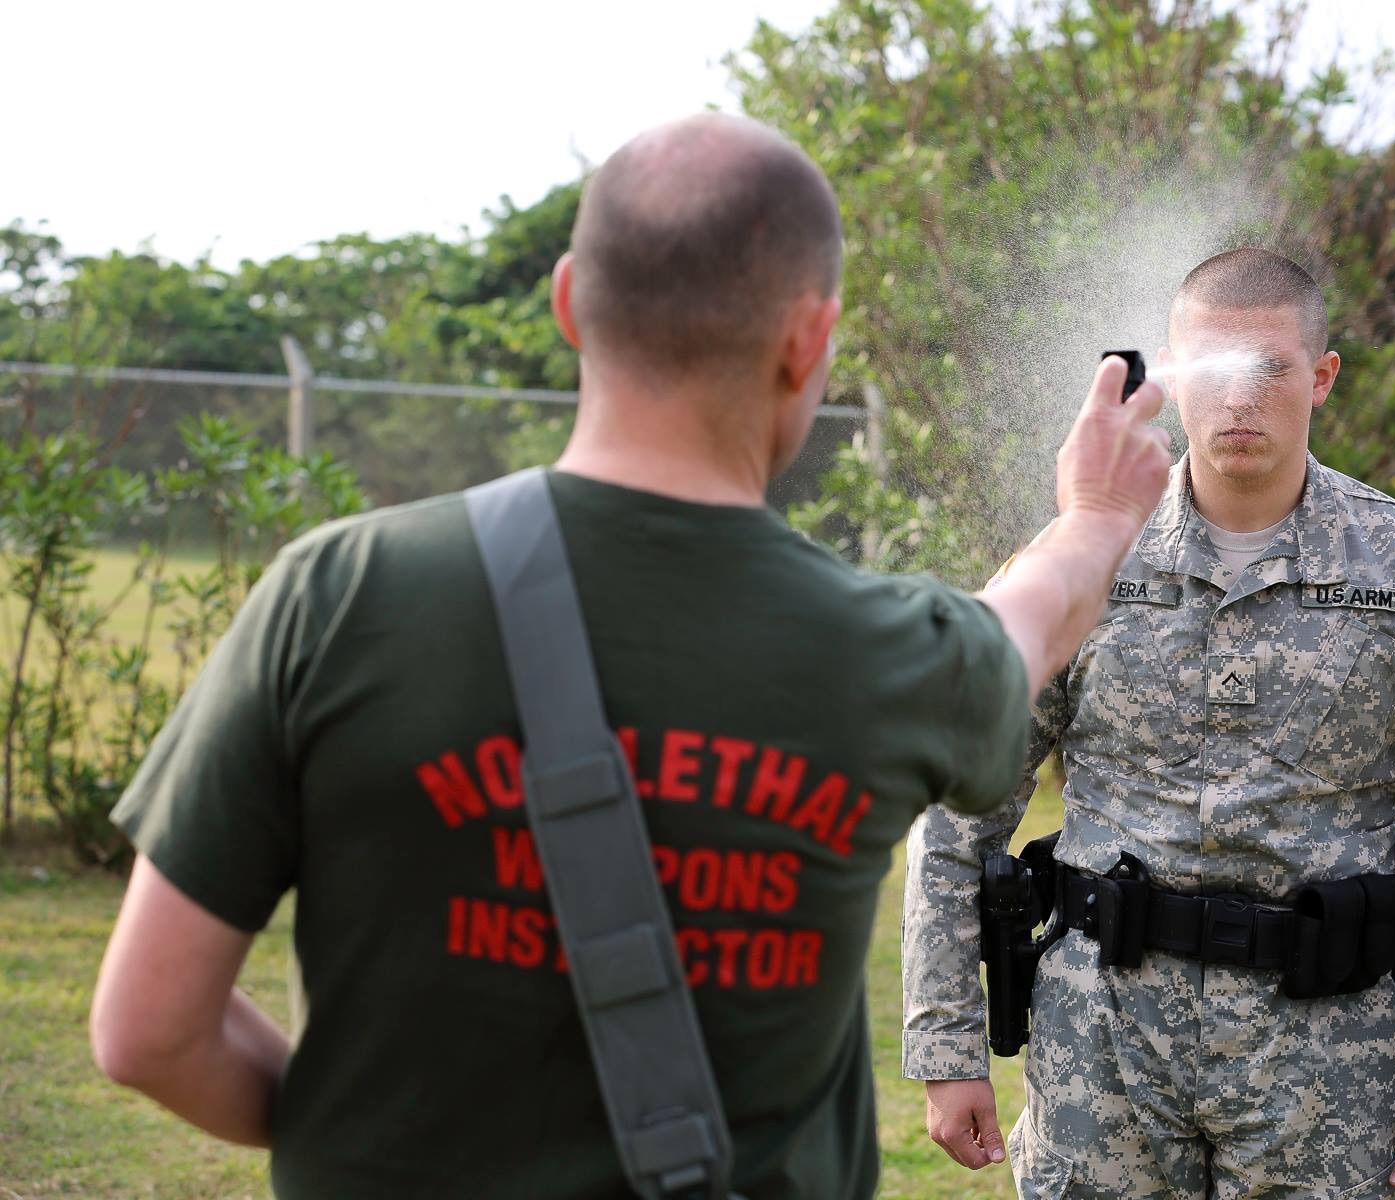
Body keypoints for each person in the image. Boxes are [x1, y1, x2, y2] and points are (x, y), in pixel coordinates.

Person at [88, 113, 1172, 1199]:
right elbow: (1029, 618)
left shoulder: (336, 592)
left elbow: (147, 1032)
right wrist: (1094, 514)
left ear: (567, 302)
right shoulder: (888, 651)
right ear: (809, 337)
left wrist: (370, 1135)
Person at [902, 248, 1395, 1200]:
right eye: (1214, 368)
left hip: (1328, 1064)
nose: (1240, 400)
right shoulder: (1083, 560)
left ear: (1323, 377)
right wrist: (946, 1039)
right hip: (1103, 1050)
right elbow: (961, 802)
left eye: (1273, 368)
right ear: (1169, 377)